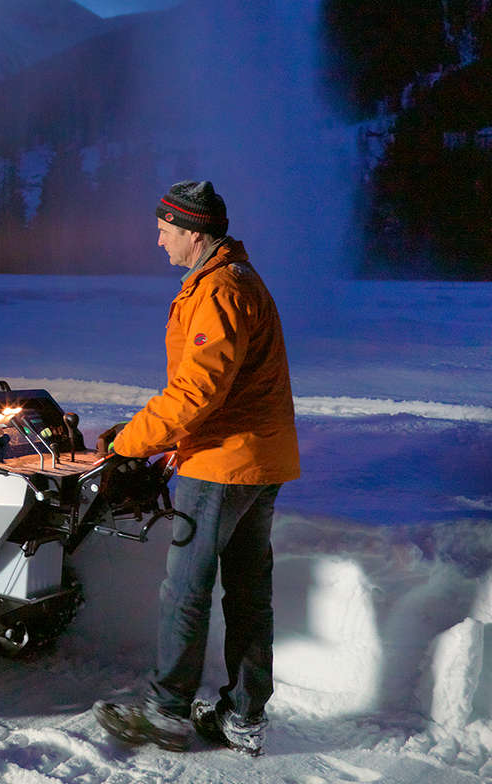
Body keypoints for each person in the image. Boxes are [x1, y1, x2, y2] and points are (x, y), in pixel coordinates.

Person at [91, 180, 300, 756]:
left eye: (165, 229)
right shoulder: (235, 280)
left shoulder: (221, 290)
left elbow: (197, 390)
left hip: (223, 463)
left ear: (194, 231)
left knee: (186, 588)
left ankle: (166, 713)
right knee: (249, 590)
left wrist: (130, 443)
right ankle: (244, 715)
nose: (157, 240)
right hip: (260, 458)